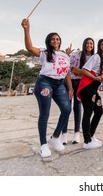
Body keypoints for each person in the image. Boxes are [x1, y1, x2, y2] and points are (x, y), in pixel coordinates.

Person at [21, 18, 73, 158]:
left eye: (57, 39)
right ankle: (43, 144)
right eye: (53, 39)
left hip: (59, 84)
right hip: (45, 83)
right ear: (49, 41)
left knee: (67, 109)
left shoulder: (65, 55)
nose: (55, 41)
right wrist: (27, 29)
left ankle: (55, 137)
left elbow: (67, 72)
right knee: (45, 113)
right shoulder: (44, 53)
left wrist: (70, 88)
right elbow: (29, 47)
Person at [79, 38, 103, 149]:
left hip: (94, 88)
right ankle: (87, 141)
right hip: (88, 86)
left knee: (99, 111)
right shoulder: (96, 57)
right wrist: (95, 78)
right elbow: (84, 69)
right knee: (88, 113)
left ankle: (91, 136)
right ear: (99, 46)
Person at [61, 38, 95, 145]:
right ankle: (64, 134)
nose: (89, 45)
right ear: (84, 44)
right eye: (87, 43)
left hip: (82, 84)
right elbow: (67, 65)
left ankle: (76, 133)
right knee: (66, 108)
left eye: (91, 44)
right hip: (70, 82)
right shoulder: (77, 54)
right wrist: (66, 55)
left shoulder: (94, 58)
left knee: (77, 107)